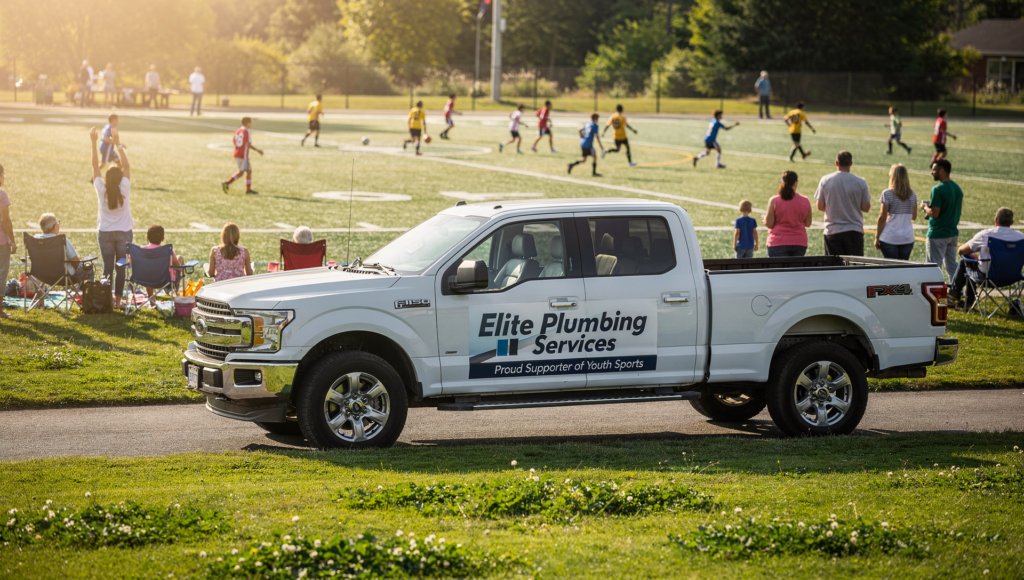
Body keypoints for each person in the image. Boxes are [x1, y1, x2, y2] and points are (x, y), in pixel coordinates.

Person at [90, 126, 133, 309]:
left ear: (107, 178)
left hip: (105, 233)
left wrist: (93, 143)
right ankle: (117, 302)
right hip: (124, 233)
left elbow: (94, 166)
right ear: (120, 177)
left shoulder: (101, 189)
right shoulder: (124, 187)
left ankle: (105, 300)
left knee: (107, 268)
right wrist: (118, 144)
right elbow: (127, 165)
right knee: (120, 268)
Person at [948, 207, 1024, 309]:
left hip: (988, 277)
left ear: (996, 219)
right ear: (1012, 222)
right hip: (1013, 278)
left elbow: (961, 251)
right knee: (972, 264)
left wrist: (975, 257)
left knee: (965, 261)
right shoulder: (1021, 237)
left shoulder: (986, 235)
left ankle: (957, 295)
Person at [815, 151, 871, 256]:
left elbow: (820, 206)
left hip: (832, 230)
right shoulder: (860, 182)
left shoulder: (826, 180)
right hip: (854, 229)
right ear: (851, 163)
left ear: (836, 163)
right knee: (854, 268)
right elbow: (866, 208)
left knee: (834, 268)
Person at [921, 159, 963, 282]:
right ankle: (957, 292)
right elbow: (956, 211)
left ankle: (934, 295)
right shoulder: (957, 188)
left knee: (933, 267)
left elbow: (934, 213)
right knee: (951, 266)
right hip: (952, 233)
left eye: (933, 169)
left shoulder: (938, 189)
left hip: (937, 233)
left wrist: (925, 208)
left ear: (942, 171)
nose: (931, 172)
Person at [874, 164, 918, 260]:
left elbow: (882, 218)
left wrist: (877, 237)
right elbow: (914, 216)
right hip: (907, 238)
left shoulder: (887, 193)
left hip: (889, 237)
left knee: (890, 271)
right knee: (902, 271)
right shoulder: (912, 194)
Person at [763, 171, 812, 257]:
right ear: (795, 183)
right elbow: (808, 223)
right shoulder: (805, 200)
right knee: (796, 270)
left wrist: (764, 219)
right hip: (799, 241)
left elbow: (769, 224)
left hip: (778, 241)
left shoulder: (774, 200)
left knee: (778, 270)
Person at [36, 213, 93, 283]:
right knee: (88, 267)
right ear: (55, 227)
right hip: (64, 276)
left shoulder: (36, 239)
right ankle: (83, 292)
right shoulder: (62, 241)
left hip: (42, 275)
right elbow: (76, 262)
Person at [137, 225, 184, 297]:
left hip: (145, 280)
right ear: (162, 238)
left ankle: (152, 301)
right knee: (180, 258)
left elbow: (133, 263)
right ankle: (175, 294)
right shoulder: (169, 251)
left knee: (147, 272)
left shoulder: (141, 250)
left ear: (147, 237)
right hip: (166, 280)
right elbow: (177, 267)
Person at [223, 117, 263, 195]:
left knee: (249, 171)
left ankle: (248, 190)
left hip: (238, 153)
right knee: (241, 172)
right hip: (243, 155)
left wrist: (238, 149)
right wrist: (257, 150)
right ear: (248, 123)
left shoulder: (238, 130)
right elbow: (248, 144)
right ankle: (227, 183)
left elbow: (234, 142)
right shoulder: (246, 131)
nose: (251, 124)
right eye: (250, 122)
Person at [0, 164, 15, 319]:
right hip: (1, 242)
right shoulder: (2, 195)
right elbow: (5, 220)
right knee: (1, 274)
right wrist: (13, 240)